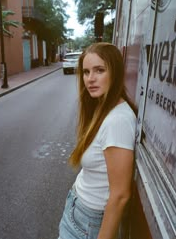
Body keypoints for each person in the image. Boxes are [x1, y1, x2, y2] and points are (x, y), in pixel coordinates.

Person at [58, 42, 137, 239]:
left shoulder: (117, 121)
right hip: (78, 207)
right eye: (86, 72)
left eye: (99, 70)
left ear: (115, 73)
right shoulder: (103, 108)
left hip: (89, 221)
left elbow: (120, 195)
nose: (90, 79)